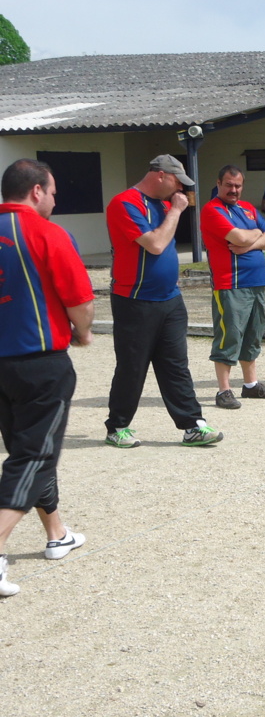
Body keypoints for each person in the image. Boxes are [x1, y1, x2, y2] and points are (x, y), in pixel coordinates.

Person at [0, 158, 95, 597]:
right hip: (39, 363)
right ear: (36, 191)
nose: (55, 200)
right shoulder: (46, 233)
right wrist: (81, 331)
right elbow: (80, 300)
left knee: (29, 449)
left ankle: (55, 532)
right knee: (34, 457)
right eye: (53, 192)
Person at [104, 154, 224, 446]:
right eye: (176, 182)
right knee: (132, 366)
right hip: (135, 299)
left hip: (170, 299)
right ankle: (116, 426)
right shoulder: (125, 203)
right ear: (159, 175)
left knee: (176, 365)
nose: (180, 190)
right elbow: (155, 244)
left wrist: (174, 209)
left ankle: (192, 423)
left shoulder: (165, 203)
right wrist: (176, 211)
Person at [201, 165, 265, 409]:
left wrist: (251, 244)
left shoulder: (247, 208)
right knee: (230, 335)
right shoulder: (212, 210)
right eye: (229, 185)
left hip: (256, 282)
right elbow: (239, 237)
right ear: (219, 184)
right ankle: (224, 390)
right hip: (231, 284)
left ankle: (250, 385)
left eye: (237, 186)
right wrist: (255, 235)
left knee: (253, 334)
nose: (233, 190)